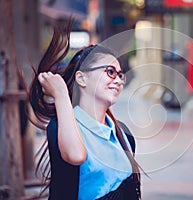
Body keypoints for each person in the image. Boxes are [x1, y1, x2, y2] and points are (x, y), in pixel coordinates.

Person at [28, 20, 142, 200]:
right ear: (81, 78)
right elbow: (75, 155)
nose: (119, 80)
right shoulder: (59, 128)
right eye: (110, 72)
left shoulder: (124, 135)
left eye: (120, 75)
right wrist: (61, 94)